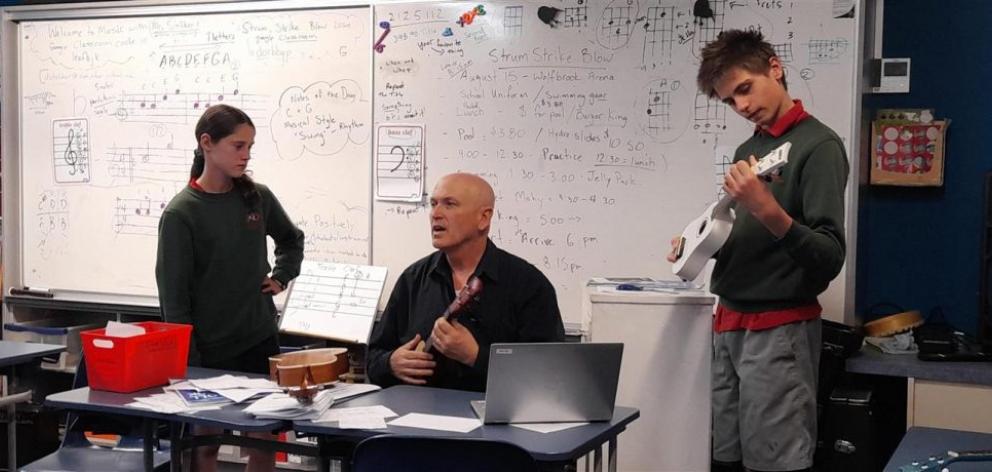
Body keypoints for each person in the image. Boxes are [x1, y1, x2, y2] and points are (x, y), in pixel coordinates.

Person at [668, 30, 848, 472]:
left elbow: (828, 256)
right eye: (730, 101)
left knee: (776, 462)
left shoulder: (819, 146)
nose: (742, 106)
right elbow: (744, 232)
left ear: (774, 66)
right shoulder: (750, 148)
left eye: (744, 89)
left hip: (778, 328)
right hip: (729, 321)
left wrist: (769, 209)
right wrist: (698, 242)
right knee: (724, 456)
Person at [156, 104, 304, 472]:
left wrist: (282, 275)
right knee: (204, 446)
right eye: (238, 146)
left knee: (262, 441)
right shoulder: (181, 214)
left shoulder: (257, 197)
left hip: (258, 340)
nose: (246, 155)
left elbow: (291, 239)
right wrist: (189, 363)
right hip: (209, 351)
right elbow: (174, 301)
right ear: (207, 143)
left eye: (250, 146)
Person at [367, 173, 565, 392]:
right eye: (433, 204)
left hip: (493, 421)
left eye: (449, 204)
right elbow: (373, 358)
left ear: (484, 218)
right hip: (414, 420)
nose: (436, 214)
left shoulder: (529, 286)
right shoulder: (412, 280)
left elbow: (549, 376)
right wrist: (391, 363)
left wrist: (475, 356)